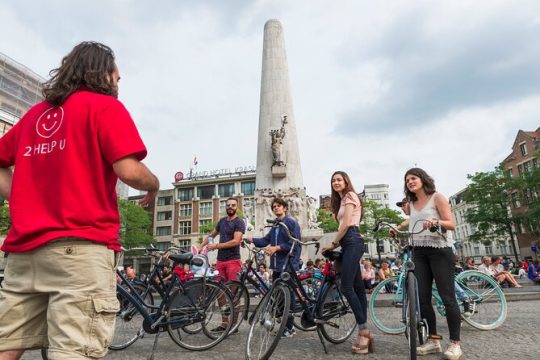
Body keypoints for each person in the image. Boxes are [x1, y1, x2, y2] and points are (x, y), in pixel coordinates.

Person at [0, 42, 159, 360]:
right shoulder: (104, 107)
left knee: (7, 346)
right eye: (117, 76)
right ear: (103, 73)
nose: (119, 81)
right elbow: (128, 170)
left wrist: (19, 194)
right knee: (73, 350)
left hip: (24, 253)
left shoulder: (34, 116)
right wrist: (153, 186)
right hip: (80, 249)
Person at [394, 168, 461, 359]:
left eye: (413, 178)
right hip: (418, 251)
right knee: (422, 299)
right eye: (407, 180)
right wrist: (397, 228)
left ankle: (455, 343)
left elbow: (451, 223)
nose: (410, 182)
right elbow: (411, 220)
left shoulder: (437, 197)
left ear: (423, 179)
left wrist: (435, 222)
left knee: (447, 297)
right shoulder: (411, 204)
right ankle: (434, 340)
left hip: (440, 250)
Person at [321, 171, 372, 355]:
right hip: (347, 242)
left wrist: (333, 243)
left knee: (347, 287)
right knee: (358, 288)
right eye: (333, 180)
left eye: (339, 180)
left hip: (351, 239)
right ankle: (364, 331)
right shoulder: (340, 201)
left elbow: (346, 224)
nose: (336, 182)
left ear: (346, 181)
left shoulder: (350, 196)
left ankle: (364, 331)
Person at [245, 197, 301, 338]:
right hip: (276, 266)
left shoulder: (290, 223)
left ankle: (289, 328)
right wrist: (251, 239)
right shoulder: (276, 225)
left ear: (285, 208)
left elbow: (295, 243)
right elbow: (265, 240)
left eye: (278, 206)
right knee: (279, 297)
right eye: (274, 206)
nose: (276, 208)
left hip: (288, 265)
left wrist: (277, 247)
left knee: (288, 296)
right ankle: (284, 324)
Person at [198, 197, 245, 282]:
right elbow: (211, 235)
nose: (230, 207)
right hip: (220, 261)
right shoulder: (222, 221)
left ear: (237, 207)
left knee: (232, 289)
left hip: (233, 261)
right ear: (226, 207)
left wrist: (216, 246)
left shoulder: (239, 222)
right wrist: (200, 246)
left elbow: (236, 241)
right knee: (219, 289)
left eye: (233, 205)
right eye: (228, 205)